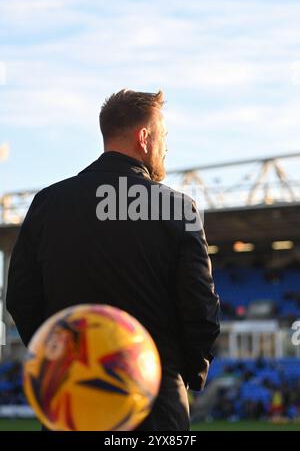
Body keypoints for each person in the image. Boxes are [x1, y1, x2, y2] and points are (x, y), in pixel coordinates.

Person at [6, 89, 220, 431]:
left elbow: (20, 298)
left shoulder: (47, 204)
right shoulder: (176, 208)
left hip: (72, 399)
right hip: (153, 399)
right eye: (164, 136)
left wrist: (61, 358)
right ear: (145, 138)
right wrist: (186, 373)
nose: (167, 146)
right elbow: (201, 307)